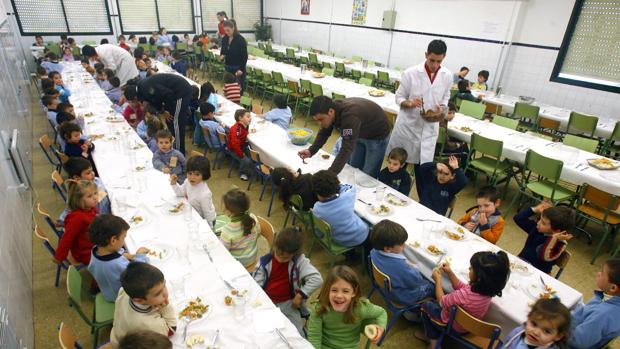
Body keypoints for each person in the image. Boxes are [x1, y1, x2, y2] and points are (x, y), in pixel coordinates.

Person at [386, 40, 453, 198]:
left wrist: (442, 107)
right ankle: (391, 197)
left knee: (424, 172)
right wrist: (409, 103)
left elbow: (446, 96)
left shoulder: (447, 75)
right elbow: (398, 97)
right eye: (432, 60)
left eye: (439, 61)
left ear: (444, 58)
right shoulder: (411, 73)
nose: (435, 65)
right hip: (408, 128)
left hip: (429, 130)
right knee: (398, 168)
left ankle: (424, 204)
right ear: (426, 55)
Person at [417, 251, 510, 346]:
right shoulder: (487, 289)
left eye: (472, 268)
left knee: (426, 305)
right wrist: (450, 272)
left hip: (453, 326)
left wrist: (438, 280)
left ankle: (432, 340)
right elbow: (461, 286)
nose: (469, 268)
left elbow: (441, 301)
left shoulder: (464, 295)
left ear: (479, 277)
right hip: (469, 327)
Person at [253, 227, 323, 336]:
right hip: (267, 302)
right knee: (265, 333)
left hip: (288, 304)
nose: (281, 259)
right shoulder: (265, 261)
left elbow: (317, 279)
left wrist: (300, 296)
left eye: (285, 258)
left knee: (297, 334)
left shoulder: (299, 261)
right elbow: (256, 285)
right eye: (278, 254)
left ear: (295, 254)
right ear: (275, 247)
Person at [298, 96, 391, 177]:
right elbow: (324, 132)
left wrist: (331, 173)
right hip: (359, 132)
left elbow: (346, 148)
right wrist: (311, 151)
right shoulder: (330, 110)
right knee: (353, 168)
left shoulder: (349, 116)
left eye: (321, 119)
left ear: (330, 111)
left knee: (368, 174)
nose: (320, 123)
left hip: (377, 136)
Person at [307, 266, 387, 348]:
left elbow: (381, 313)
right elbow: (314, 337)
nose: (339, 295)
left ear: (354, 293)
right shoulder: (320, 308)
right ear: (328, 290)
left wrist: (380, 328)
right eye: (334, 290)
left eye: (345, 291)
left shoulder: (360, 308)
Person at [369, 220, 433, 315]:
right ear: (387, 249)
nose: (405, 245)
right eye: (402, 244)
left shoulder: (373, 251)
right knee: (432, 285)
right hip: (401, 297)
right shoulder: (400, 266)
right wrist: (413, 268)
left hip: (386, 288)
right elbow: (415, 281)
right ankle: (418, 313)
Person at [109, 262, 176, 348]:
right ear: (139, 300)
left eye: (164, 285)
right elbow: (171, 330)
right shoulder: (150, 325)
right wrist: (165, 306)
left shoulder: (125, 291)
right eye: (158, 293)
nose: (166, 293)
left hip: (117, 336)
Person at [88, 214, 149, 302]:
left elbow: (115, 255)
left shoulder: (96, 250)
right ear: (113, 240)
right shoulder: (116, 263)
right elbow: (138, 274)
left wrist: (130, 256)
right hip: (120, 298)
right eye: (123, 237)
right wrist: (140, 256)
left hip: (107, 291)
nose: (124, 241)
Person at [127, 73, 193, 154]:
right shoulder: (142, 88)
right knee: (171, 122)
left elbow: (168, 95)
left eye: (132, 102)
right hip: (173, 95)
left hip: (180, 92)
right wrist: (162, 111)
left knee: (176, 123)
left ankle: (179, 153)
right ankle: (171, 148)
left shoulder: (146, 88)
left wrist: (165, 110)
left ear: (135, 98)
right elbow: (157, 98)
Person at [311, 170, 369, 253]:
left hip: (338, 238)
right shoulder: (347, 196)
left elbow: (319, 231)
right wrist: (335, 186)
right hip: (359, 236)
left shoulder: (317, 209)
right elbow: (351, 187)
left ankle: (350, 255)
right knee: (370, 226)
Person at [568, 258, 620, 348]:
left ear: (613, 288)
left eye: (602, 273)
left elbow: (578, 341)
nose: (598, 274)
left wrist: (555, 330)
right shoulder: (607, 297)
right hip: (570, 327)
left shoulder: (603, 315)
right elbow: (587, 311)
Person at [514, 201, 575, 273]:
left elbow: (544, 256)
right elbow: (518, 218)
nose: (538, 223)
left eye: (543, 223)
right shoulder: (537, 229)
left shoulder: (560, 244)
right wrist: (536, 209)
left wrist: (554, 238)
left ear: (557, 231)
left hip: (538, 273)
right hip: (522, 263)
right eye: (540, 219)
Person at [53, 180, 98, 265]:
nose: (95, 197)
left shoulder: (90, 209)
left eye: (95, 193)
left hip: (92, 244)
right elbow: (67, 239)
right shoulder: (78, 218)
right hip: (85, 252)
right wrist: (59, 257)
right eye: (89, 196)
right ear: (79, 200)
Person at [219, 188, 261, 270]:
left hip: (238, 263)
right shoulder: (252, 217)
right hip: (252, 257)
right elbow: (258, 233)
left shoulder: (227, 230)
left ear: (228, 211)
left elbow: (223, 251)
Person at [505, 298, 571, 349]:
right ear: (529, 317)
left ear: (558, 336)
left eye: (547, 331)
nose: (536, 332)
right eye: (534, 324)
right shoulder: (518, 332)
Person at [169, 155, 216, 226]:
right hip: (192, 214)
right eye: (190, 173)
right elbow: (180, 194)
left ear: (204, 174)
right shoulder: (188, 181)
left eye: (197, 174)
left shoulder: (204, 194)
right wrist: (174, 184)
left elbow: (208, 216)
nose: (192, 177)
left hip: (205, 220)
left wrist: (208, 229)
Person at [220, 20, 248, 92]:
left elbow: (244, 56)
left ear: (233, 28)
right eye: (225, 30)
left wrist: (241, 69)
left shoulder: (240, 39)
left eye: (228, 30)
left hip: (238, 67)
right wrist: (222, 56)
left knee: (238, 89)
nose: (226, 32)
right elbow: (223, 51)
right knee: (228, 89)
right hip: (228, 66)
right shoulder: (224, 39)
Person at [227, 109, 252, 180]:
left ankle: (248, 167)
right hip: (233, 149)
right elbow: (235, 145)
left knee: (250, 154)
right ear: (240, 118)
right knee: (246, 160)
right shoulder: (237, 129)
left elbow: (243, 134)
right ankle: (242, 173)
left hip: (241, 146)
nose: (250, 118)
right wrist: (241, 154)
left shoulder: (245, 125)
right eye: (248, 116)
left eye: (250, 116)